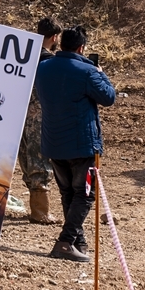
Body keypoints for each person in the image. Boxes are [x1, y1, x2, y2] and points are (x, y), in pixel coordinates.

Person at [35, 26, 116, 262]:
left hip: (53, 143)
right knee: (85, 194)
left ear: (61, 44)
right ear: (81, 48)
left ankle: (78, 241)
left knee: (68, 192)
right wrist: (99, 72)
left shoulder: (42, 67)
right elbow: (108, 97)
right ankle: (65, 241)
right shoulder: (87, 71)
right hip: (82, 146)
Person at [18, 18, 62, 225]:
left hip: (18, 114)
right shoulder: (50, 62)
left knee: (26, 160)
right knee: (40, 162)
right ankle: (40, 211)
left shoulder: (23, 55)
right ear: (54, 37)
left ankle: (36, 207)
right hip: (39, 116)